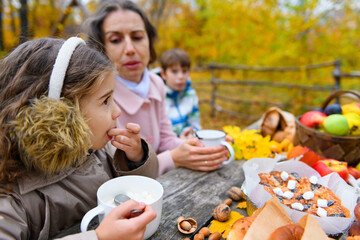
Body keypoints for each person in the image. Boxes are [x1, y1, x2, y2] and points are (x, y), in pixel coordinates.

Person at [0, 37, 158, 240]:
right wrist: (98, 238)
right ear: (57, 116)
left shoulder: (100, 151)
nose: (117, 111)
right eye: (106, 101)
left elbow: (146, 187)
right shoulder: (13, 198)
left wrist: (136, 157)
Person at [82, 0, 229, 176]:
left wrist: (198, 146)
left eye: (137, 37)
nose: (130, 49)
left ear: (149, 41)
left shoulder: (156, 82)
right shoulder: (99, 97)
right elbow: (113, 169)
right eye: (115, 40)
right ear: (100, 48)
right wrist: (174, 158)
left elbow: (166, 139)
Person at [158, 48, 201, 138]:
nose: (181, 76)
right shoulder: (157, 96)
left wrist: (189, 134)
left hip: (187, 142)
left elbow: (194, 122)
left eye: (184, 71)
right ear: (163, 74)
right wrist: (176, 140)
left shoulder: (191, 95)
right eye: (174, 71)